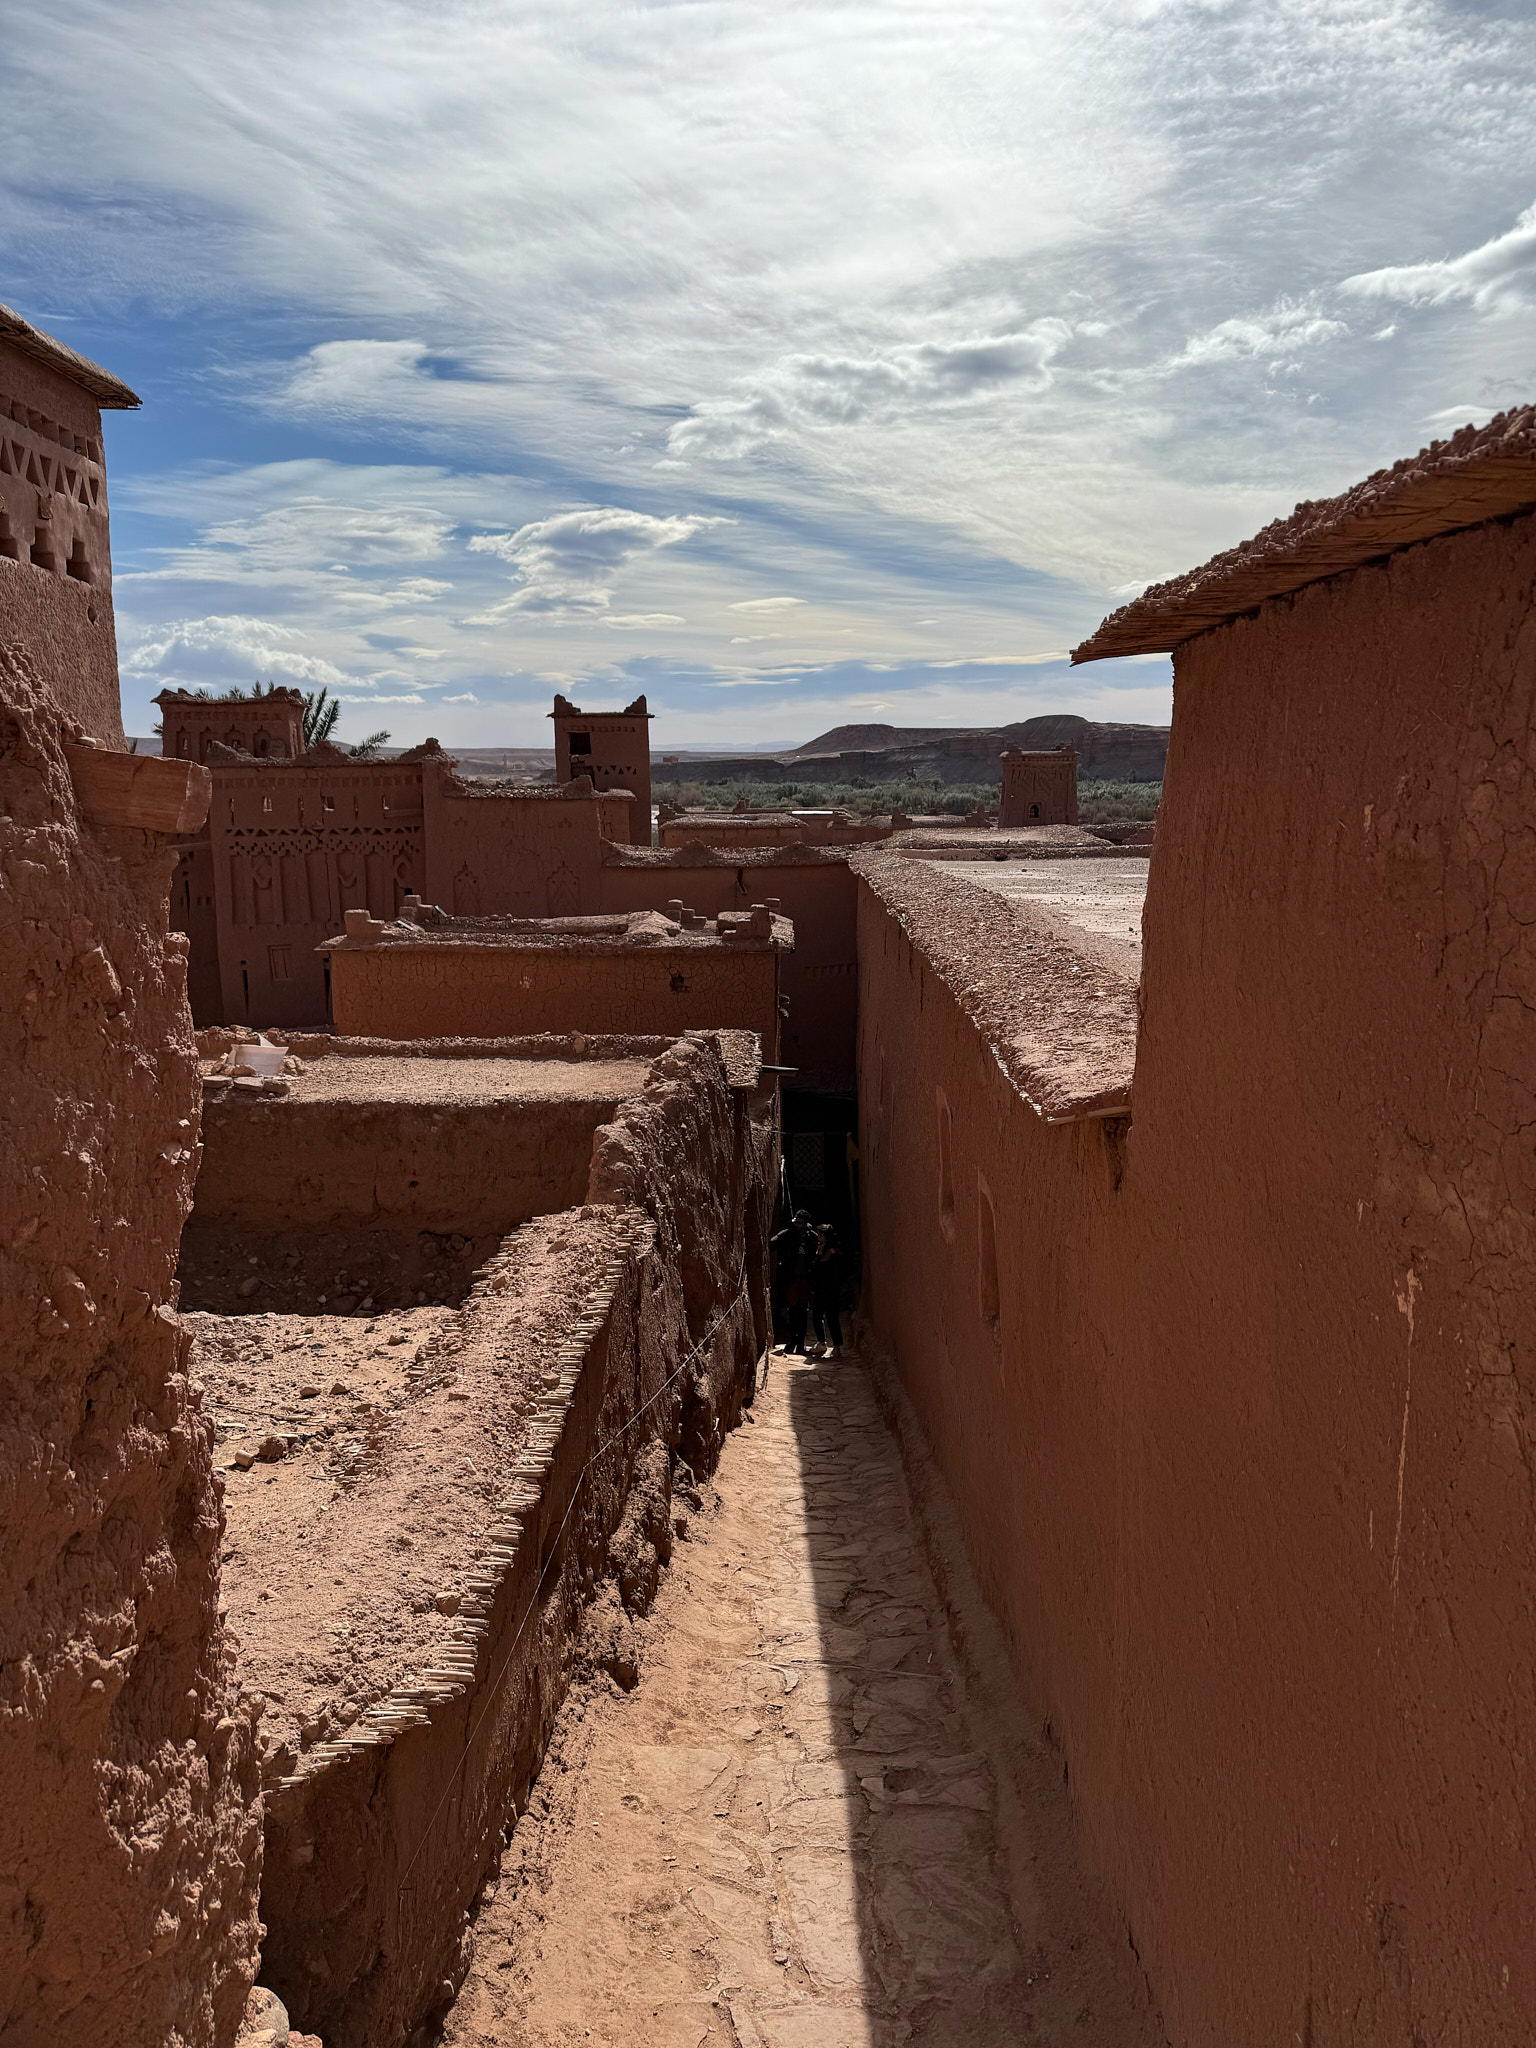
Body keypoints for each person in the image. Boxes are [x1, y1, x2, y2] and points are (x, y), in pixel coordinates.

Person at [769, 1209, 815, 1354]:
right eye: (796, 1222)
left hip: (804, 1279)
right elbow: (772, 1244)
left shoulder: (811, 1237)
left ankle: (800, 1344)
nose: (797, 1225)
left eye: (800, 1223)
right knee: (792, 1311)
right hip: (790, 1279)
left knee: (801, 1312)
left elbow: (815, 1255)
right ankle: (792, 1342)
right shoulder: (788, 1234)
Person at [808, 1224, 847, 1359]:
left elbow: (826, 1268)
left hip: (830, 1290)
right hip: (819, 1289)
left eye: (819, 1234)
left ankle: (837, 1346)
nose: (818, 1237)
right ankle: (821, 1342)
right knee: (817, 1315)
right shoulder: (821, 1248)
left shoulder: (832, 1252)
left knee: (832, 1318)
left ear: (824, 1236)